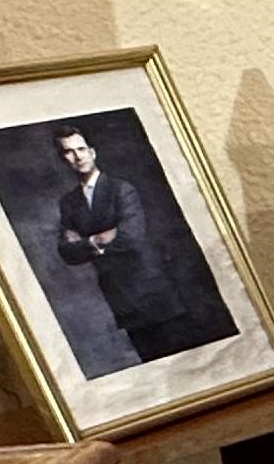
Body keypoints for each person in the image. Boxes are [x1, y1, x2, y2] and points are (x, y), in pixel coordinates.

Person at [51, 127, 225, 365]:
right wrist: (98, 239)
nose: (78, 156)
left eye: (81, 149)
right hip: (121, 298)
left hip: (153, 290)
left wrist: (85, 243)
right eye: (69, 152)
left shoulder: (121, 189)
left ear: (93, 152)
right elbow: (67, 253)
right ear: (63, 160)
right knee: (154, 363)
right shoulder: (69, 203)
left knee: (190, 362)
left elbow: (132, 237)